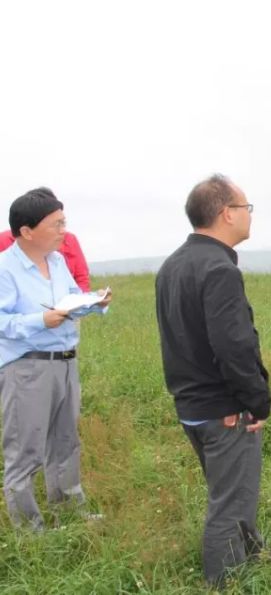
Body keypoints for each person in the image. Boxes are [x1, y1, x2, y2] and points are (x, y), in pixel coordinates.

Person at [155, 174, 271, 588]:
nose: (249, 215)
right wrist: (256, 401)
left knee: (234, 491)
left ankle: (253, 555)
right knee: (229, 504)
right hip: (224, 409)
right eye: (245, 207)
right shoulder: (219, 269)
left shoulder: (172, 265)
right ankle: (225, 583)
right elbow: (233, 347)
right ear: (227, 214)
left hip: (192, 405)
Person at [0, 189, 111, 531]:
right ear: (27, 231)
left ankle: (70, 512)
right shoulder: (5, 268)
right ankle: (29, 531)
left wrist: (93, 301)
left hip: (65, 361)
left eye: (64, 222)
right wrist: (40, 321)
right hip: (27, 368)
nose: (64, 230)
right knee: (25, 450)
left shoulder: (58, 262)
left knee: (65, 442)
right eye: (56, 224)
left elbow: (70, 298)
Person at [0, 187, 91, 291]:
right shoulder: (5, 265)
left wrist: (94, 299)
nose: (62, 231)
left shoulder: (57, 259)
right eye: (56, 224)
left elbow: (77, 286)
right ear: (27, 232)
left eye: (62, 223)